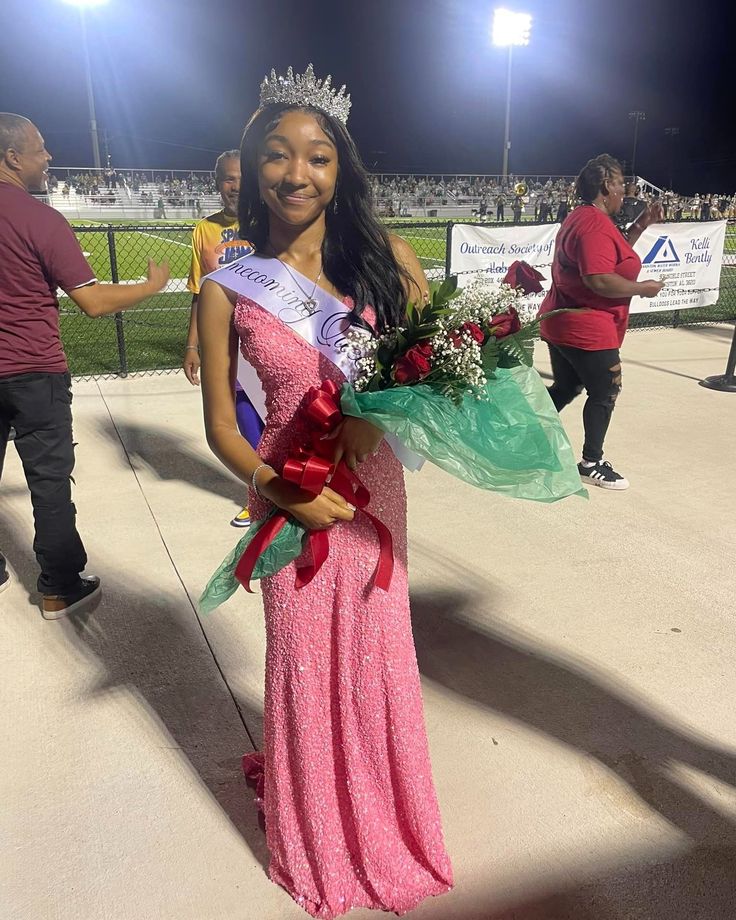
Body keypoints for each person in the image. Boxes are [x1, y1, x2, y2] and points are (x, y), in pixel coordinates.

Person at [197, 66, 453, 917]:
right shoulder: (228, 287)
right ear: (251, 167)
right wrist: (287, 494)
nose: (296, 174)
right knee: (306, 665)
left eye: (316, 157)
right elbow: (223, 431)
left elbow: (441, 380)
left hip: (373, 496)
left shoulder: (390, 265)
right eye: (276, 156)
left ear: (342, 169)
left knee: (376, 657)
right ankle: (319, 829)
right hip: (291, 499)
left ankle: (384, 816)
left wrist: (386, 421)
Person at [0, 114, 169, 616]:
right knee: (49, 483)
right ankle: (58, 584)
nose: (48, 157)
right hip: (34, 372)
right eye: (40, 148)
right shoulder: (40, 219)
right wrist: (150, 286)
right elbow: (92, 302)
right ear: (12, 158)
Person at [538, 154, 664, 490]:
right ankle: (591, 462)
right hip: (586, 328)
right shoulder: (593, 224)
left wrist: (641, 225)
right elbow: (599, 279)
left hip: (564, 322)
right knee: (606, 390)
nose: (625, 190)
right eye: (621, 184)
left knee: (567, 386)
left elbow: (614, 258)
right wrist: (644, 289)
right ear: (606, 185)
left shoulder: (585, 217)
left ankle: (526, 433)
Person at [183, 149, 263, 527]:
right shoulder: (204, 230)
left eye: (242, 177)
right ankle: (258, 494)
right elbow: (200, 292)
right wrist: (192, 345)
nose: (236, 186)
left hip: (267, 335)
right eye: (228, 178)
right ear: (217, 183)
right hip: (227, 340)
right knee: (241, 418)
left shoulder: (270, 221)